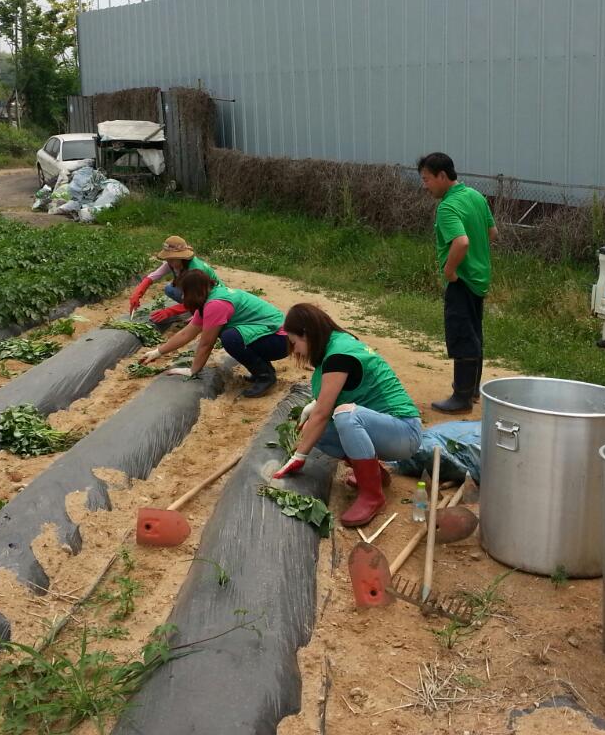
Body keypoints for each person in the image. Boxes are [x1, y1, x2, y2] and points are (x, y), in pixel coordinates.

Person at [271, 303, 422, 527]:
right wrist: (314, 407)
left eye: (295, 343)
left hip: (403, 431)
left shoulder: (338, 356)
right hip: (383, 428)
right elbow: (334, 397)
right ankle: (374, 475)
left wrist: (299, 456)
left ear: (306, 334)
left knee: (345, 416)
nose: (297, 351)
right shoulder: (335, 342)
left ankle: (372, 496)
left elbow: (323, 413)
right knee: (315, 431)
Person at [418, 152, 499, 413]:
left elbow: (461, 242)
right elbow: (492, 232)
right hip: (479, 278)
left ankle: (461, 398)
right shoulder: (475, 196)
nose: (425, 185)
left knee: (462, 335)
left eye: (427, 179)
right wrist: (477, 257)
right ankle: (472, 390)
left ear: (442, 176)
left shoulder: (448, 207)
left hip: (462, 280)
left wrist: (450, 270)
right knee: (474, 333)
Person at [140, 269, 288, 397]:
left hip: (280, 340)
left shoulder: (215, 305)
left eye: (184, 292)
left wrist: (193, 370)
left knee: (230, 338)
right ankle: (263, 371)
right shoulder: (209, 297)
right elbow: (187, 333)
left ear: (194, 291)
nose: (183, 297)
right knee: (232, 335)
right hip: (274, 335)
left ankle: (265, 377)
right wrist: (157, 352)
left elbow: (206, 344)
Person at [127, 235, 222, 324]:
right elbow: (153, 277)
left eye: (171, 259)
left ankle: (200, 313)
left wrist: (170, 311)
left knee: (195, 302)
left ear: (181, 257)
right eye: (167, 259)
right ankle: (195, 311)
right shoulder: (173, 263)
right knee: (170, 289)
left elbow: (198, 297)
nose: (169, 262)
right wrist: (137, 293)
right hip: (198, 293)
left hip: (212, 297)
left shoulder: (195, 271)